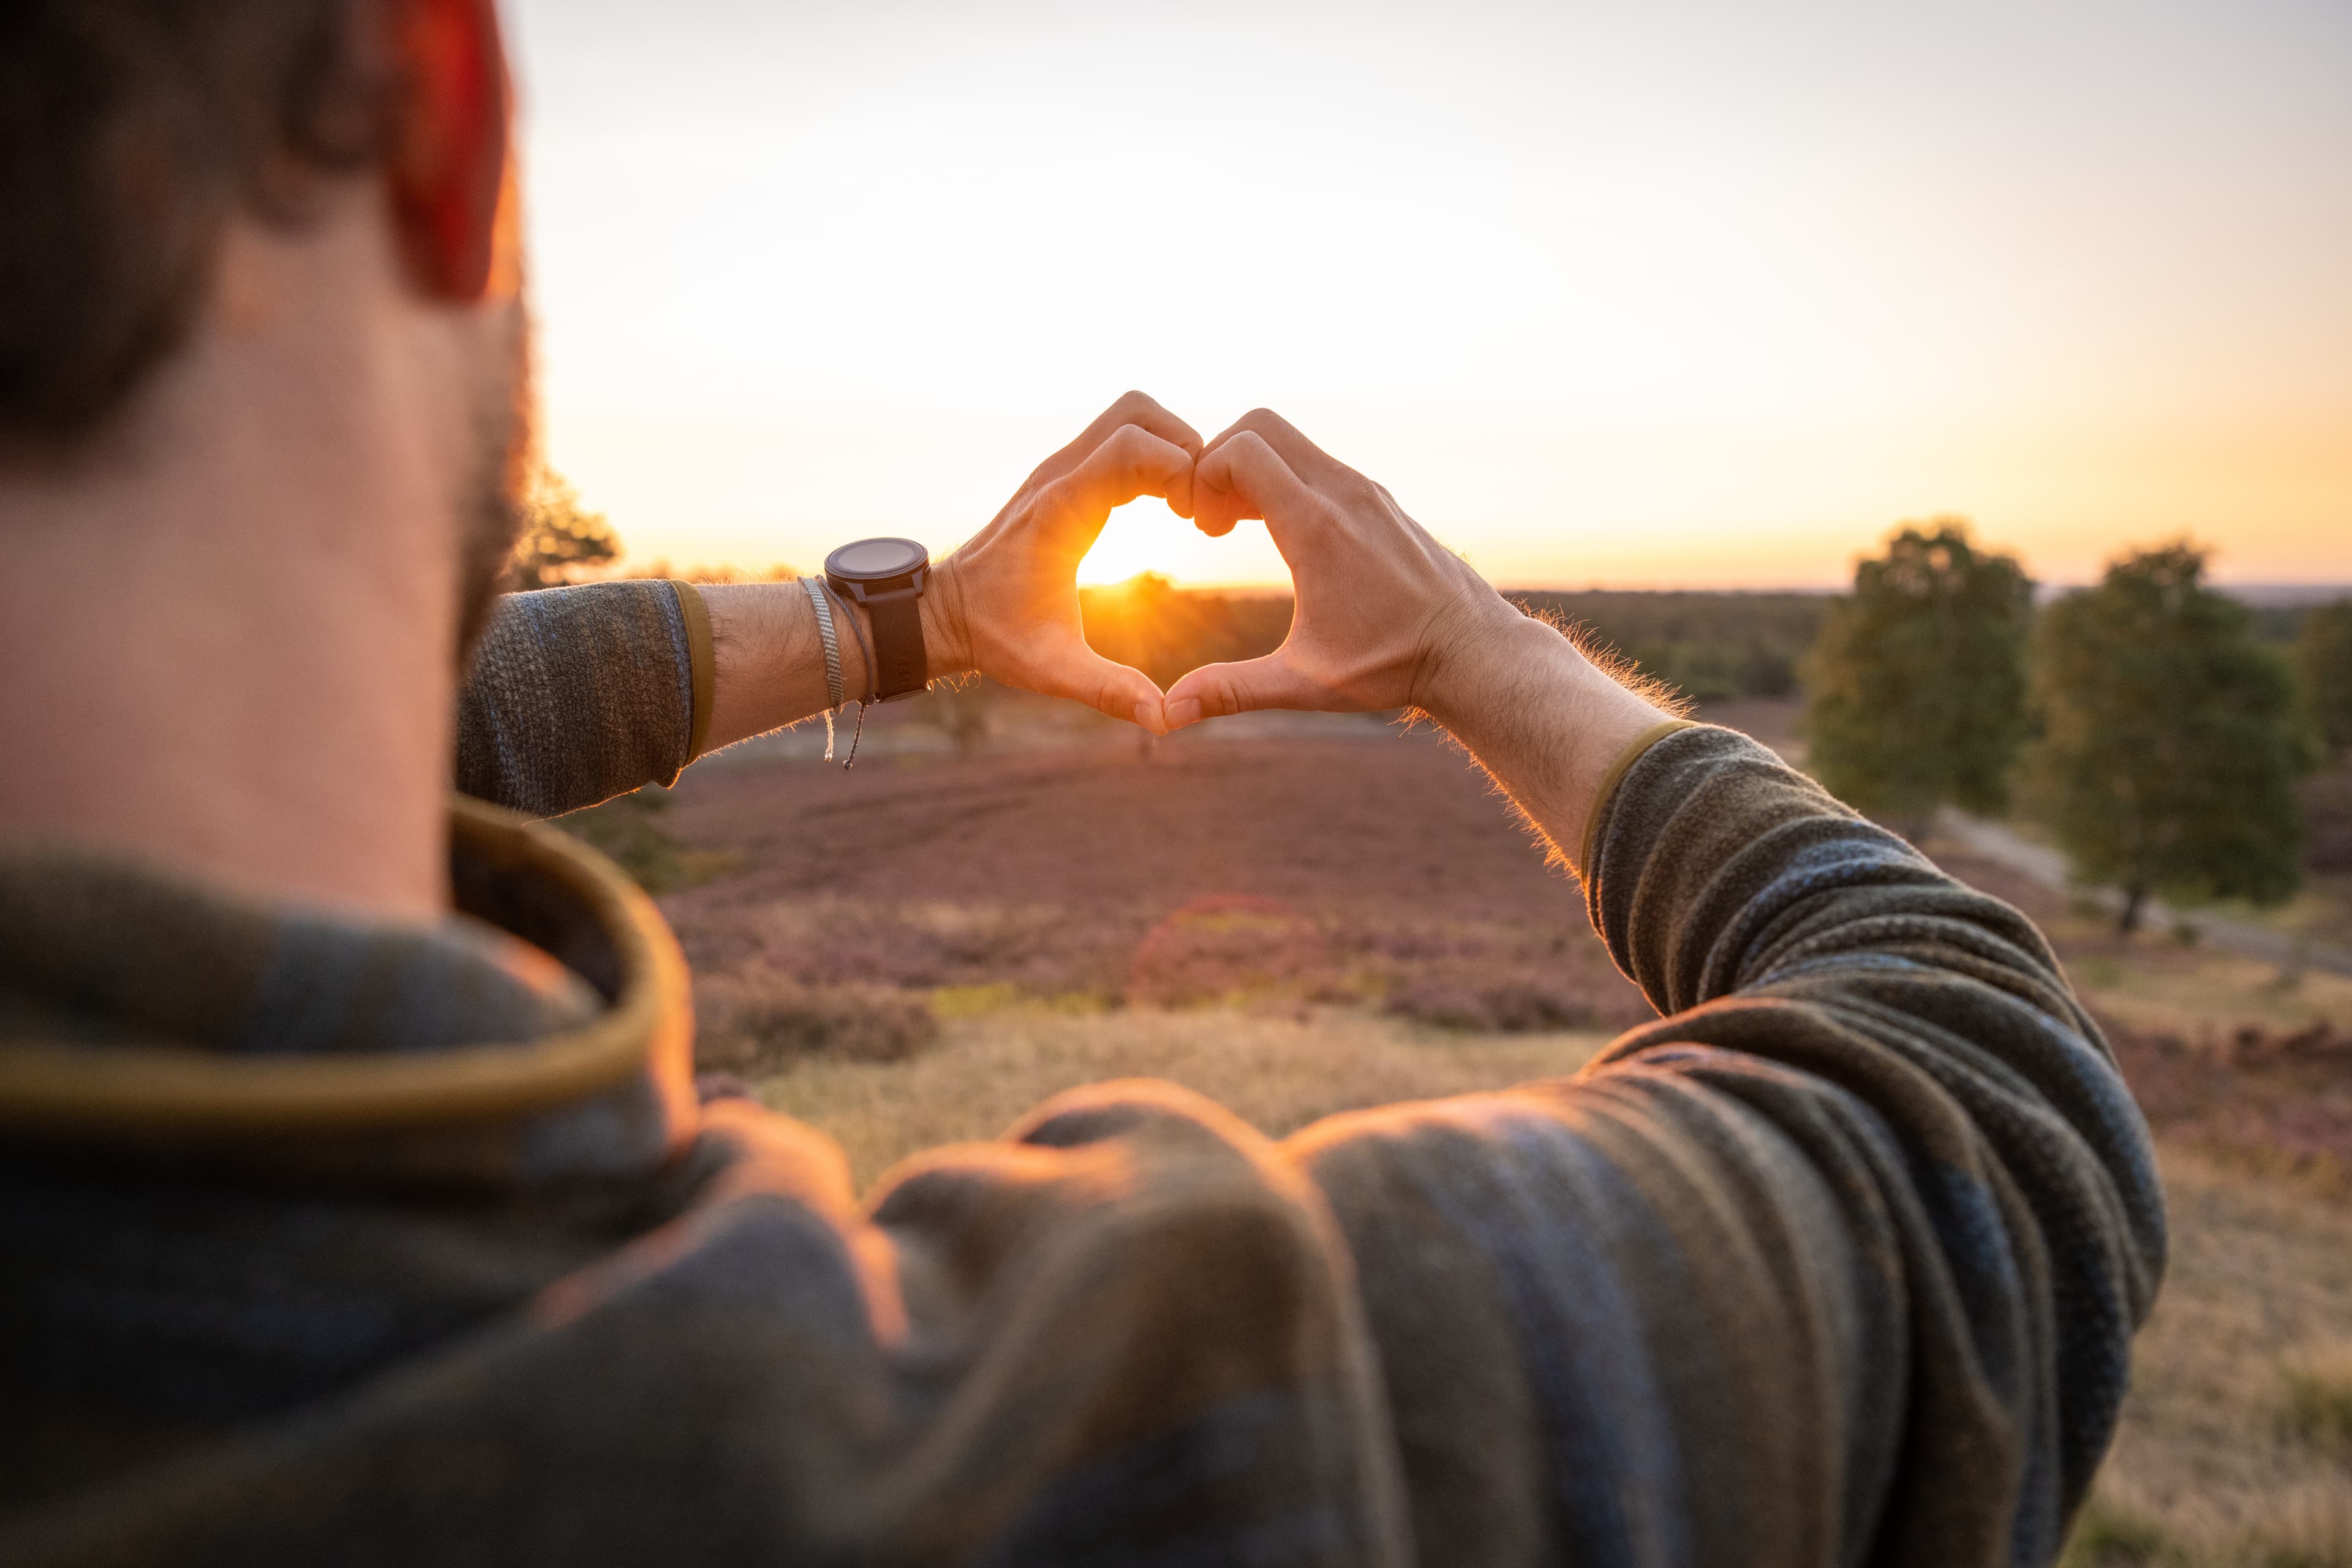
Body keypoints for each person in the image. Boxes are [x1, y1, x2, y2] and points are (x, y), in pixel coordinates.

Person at [0, 2, 2162, 1564]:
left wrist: (908, 617)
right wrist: (1483, 660)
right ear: (429, 97)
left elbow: (404, 715)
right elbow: (1989, 1117)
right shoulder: (1020, 1471)